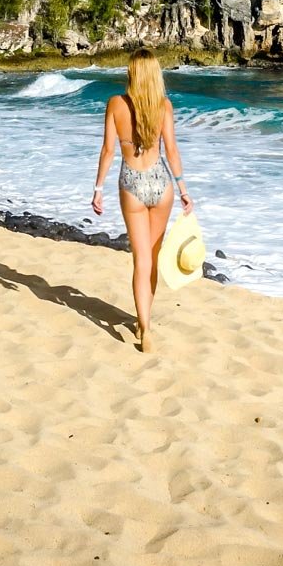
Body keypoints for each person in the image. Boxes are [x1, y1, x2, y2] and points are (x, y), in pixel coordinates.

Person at [91, 50, 193, 353]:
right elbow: (172, 151)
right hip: (161, 182)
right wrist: (184, 190)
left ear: (132, 73)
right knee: (153, 255)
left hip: (132, 183)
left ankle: (145, 326)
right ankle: (144, 319)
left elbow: (109, 150)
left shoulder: (115, 104)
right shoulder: (164, 106)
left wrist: (98, 188)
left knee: (141, 258)